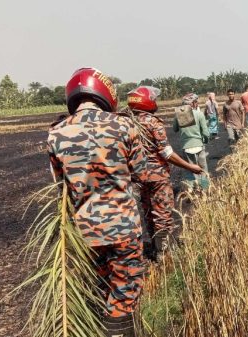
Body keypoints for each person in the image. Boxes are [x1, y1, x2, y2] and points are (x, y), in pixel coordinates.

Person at [47, 68, 146, 337]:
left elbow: (61, 185)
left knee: (101, 286)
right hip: (123, 226)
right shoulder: (123, 126)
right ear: (105, 94)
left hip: (85, 232)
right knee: (125, 290)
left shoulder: (56, 133)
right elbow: (140, 171)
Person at [126, 86, 202, 260]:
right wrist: (190, 167)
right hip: (157, 177)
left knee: (147, 211)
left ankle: (154, 248)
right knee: (162, 213)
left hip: (137, 177)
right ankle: (163, 253)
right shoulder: (153, 122)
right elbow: (166, 153)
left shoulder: (126, 123)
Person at [172, 93, 210, 191]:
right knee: (203, 169)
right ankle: (204, 189)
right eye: (196, 102)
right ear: (193, 103)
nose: (197, 103)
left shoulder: (178, 115)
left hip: (186, 146)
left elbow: (175, 129)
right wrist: (205, 141)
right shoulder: (199, 114)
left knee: (189, 169)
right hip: (199, 145)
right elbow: (206, 133)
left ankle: (190, 189)